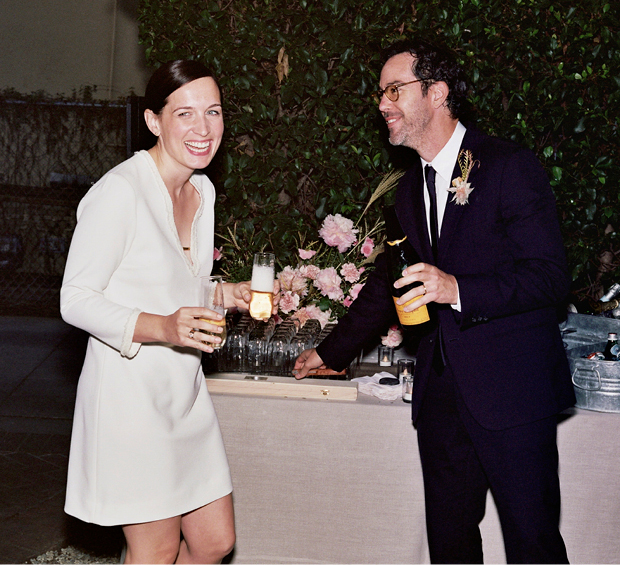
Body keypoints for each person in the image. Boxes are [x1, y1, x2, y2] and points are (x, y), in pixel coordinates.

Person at [294, 40, 575, 564]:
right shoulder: (407, 191)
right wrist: (330, 353)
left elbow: (550, 277)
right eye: (381, 93)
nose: (382, 104)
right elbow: (387, 283)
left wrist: (457, 290)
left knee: (533, 544)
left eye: (395, 89)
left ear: (438, 93)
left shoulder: (507, 165)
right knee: (449, 547)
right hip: (442, 396)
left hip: (512, 392)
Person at [61, 60, 278, 564]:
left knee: (213, 541)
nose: (203, 130)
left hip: (184, 391)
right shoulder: (119, 193)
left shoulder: (202, 191)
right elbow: (75, 299)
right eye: (185, 114)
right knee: (155, 551)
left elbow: (181, 280)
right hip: (130, 396)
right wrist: (162, 326)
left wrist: (223, 294)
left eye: (214, 112)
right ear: (154, 121)